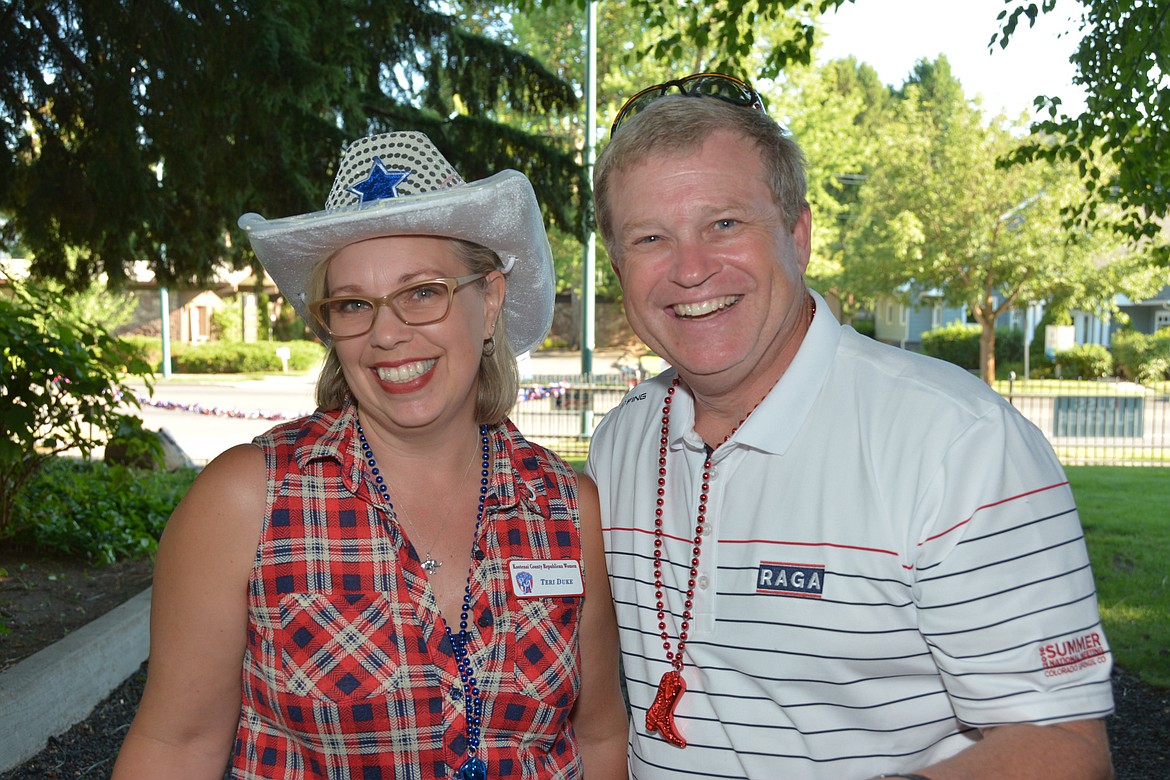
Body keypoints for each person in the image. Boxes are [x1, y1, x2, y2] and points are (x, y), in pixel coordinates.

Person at [585, 74, 1115, 779]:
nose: (690, 269)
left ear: (797, 235)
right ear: (619, 268)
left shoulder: (958, 443)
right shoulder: (619, 445)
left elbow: (1066, 752)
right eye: (651, 237)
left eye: (725, 224)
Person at [113, 131, 629, 779]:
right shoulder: (247, 502)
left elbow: (601, 735)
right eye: (354, 303)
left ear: (490, 299)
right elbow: (176, 747)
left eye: (422, 292)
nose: (386, 333)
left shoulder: (566, 511)